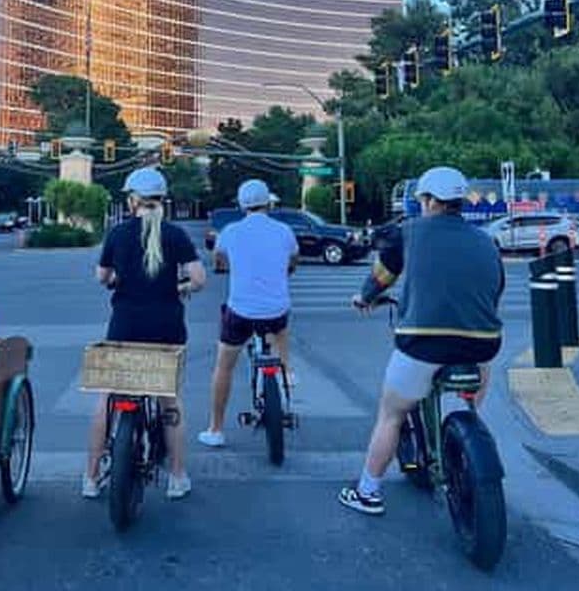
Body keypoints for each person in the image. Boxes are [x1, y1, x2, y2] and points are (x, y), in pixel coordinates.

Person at [338, 166, 504, 517]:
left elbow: (381, 277)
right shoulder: (486, 240)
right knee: (480, 368)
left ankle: (368, 492)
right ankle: (468, 418)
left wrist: (364, 298)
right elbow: (496, 288)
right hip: (482, 342)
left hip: (423, 343)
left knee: (391, 414)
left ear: (428, 201)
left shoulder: (408, 233)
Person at [83, 167, 206, 500]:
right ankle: (177, 477)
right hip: (167, 329)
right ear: (162, 200)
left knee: (107, 398)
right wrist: (180, 287)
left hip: (124, 328)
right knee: (170, 401)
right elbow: (199, 279)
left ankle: (90, 478)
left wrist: (116, 280)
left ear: (132, 201)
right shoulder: (176, 235)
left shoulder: (117, 234)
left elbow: (102, 277)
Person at [198, 179, 299, 448]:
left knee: (224, 365)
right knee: (280, 326)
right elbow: (293, 261)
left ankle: (215, 429)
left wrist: (229, 265)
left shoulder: (230, 232)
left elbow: (219, 259)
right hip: (276, 311)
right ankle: (287, 372)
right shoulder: (284, 231)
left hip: (240, 312)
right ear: (269, 204)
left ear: (242, 206)